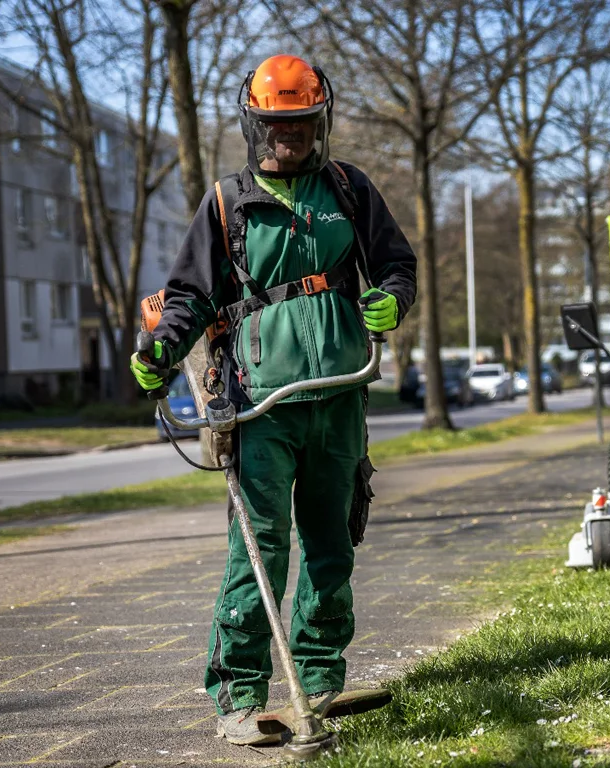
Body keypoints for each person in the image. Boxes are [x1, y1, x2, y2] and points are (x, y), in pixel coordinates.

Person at [128, 54, 416, 747]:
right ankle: (239, 695)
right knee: (258, 550)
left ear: (321, 122)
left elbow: (396, 265)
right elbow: (190, 295)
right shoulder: (226, 201)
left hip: (339, 395)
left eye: (303, 122)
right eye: (278, 124)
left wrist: (391, 299)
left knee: (331, 545)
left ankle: (318, 678)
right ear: (255, 125)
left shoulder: (349, 188)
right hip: (261, 404)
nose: (291, 135)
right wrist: (161, 349)